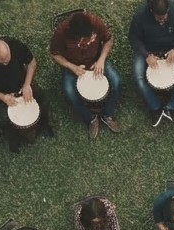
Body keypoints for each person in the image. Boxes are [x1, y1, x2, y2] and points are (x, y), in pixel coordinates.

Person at [0, 37, 54, 151]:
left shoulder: (15, 45)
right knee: (4, 118)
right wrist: (3, 97)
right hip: (1, 93)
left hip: (21, 84)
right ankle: (15, 137)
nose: (7, 63)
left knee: (42, 99)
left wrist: (27, 85)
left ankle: (44, 124)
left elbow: (32, 63)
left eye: (8, 59)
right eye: (3, 62)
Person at [49, 10, 121, 140]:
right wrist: (72, 67)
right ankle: (90, 118)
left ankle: (108, 114)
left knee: (116, 82)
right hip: (74, 66)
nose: (85, 41)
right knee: (70, 93)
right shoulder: (61, 32)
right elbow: (54, 54)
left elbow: (108, 40)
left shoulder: (95, 22)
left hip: (96, 61)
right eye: (82, 39)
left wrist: (101, 60)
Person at [129, 0, 174, 126]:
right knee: (138, 75)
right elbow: (134, 38)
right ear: (151, 11)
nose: (162, 20)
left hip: (172, 47)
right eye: (158, 18)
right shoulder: (140, 15)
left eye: (164, 17)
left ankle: (172, 108)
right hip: (149, 49)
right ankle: (155, 108)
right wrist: (146, 55)